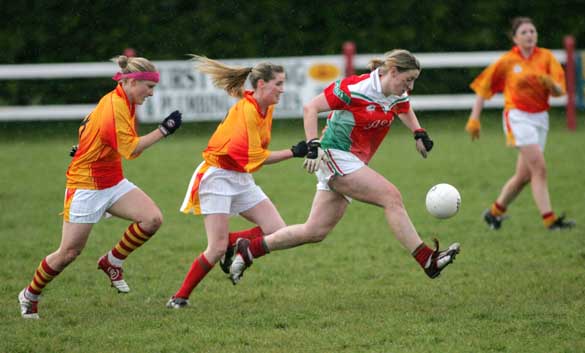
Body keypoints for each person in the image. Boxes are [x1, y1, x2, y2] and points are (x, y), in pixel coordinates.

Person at [225, 49, 461, 285]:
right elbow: (311, 108)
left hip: (352, 161)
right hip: (334, 155)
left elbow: (403, 107)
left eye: (413, 81)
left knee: (314, 231)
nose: (410, 86)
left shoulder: (396, 92)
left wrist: (418, 133)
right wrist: (313, 144)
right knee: (391, 197)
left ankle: (249, 249)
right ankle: (427, 259)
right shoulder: (355, 89)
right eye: (408, 80)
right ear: (392, 71)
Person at [17, 55, 183, 319]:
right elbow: (131, 150)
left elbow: (86, 124)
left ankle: (112, 261)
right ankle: (29, 295)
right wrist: (165, 129)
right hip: (86, 185)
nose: (151, 93)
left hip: (112, 180)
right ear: (130, 82)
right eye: (148, 87)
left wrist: (85, 146)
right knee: (69, 252)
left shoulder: (121, 99)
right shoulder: (115, 106)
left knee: (151, 219)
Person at [166, 56, 308, 309]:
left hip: (240, 176)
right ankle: (180, 297)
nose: (282, 89)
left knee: (277, 230)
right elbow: (256, 157)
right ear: (262, 84)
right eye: (278, 83)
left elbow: (252, 158)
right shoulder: (247, 111)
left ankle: (237, 243)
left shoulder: (267, 107)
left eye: (283, 83)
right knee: (216, 247)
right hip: (217, 176)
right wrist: (293, 152)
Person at [465, 17, 575, 230]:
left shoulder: (546, 58)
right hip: (517, 117)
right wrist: (474, 118)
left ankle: (494, 213)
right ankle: (550, 220)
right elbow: (483, 88)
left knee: (524, 175)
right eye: (524, 32)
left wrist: (551, 84)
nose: (529, 35)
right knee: (539, 169)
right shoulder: (508, 61)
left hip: (541, 118)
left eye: (532, 31)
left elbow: (561, 92)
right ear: (515, 38)